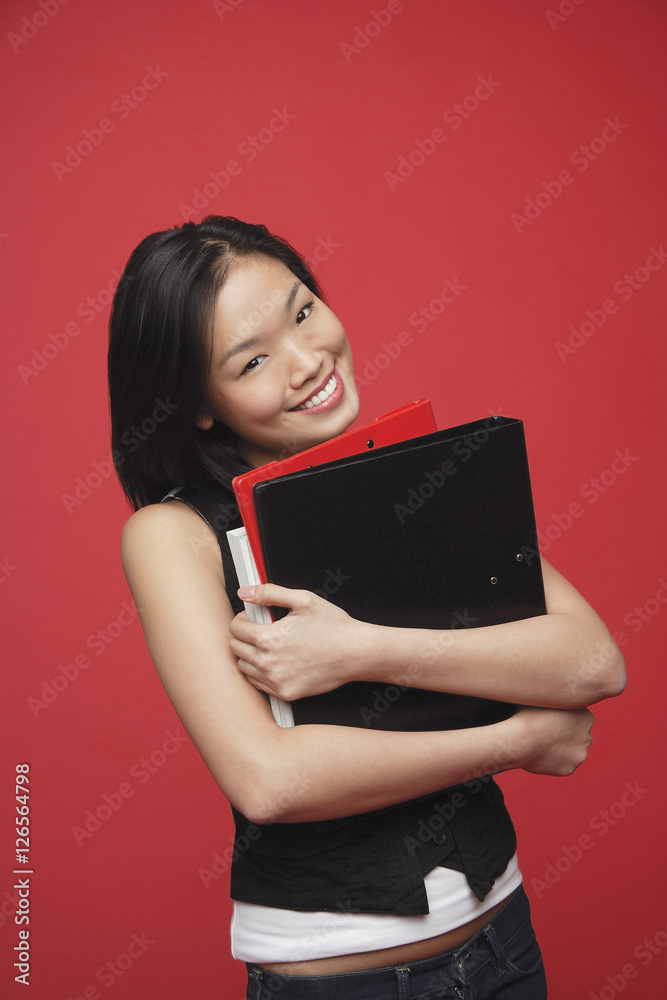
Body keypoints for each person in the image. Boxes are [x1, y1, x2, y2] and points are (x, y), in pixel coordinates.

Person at [108, 215, 625, 999]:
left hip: (504, 944)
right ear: (198, 403)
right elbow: (269, 782)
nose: (306, 360)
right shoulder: (171, 534)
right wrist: (518, 737)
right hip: (341, 978)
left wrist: (362, 650)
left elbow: (592, 663)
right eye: (252, 360)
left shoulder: (418, 470)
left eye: (303, 311)